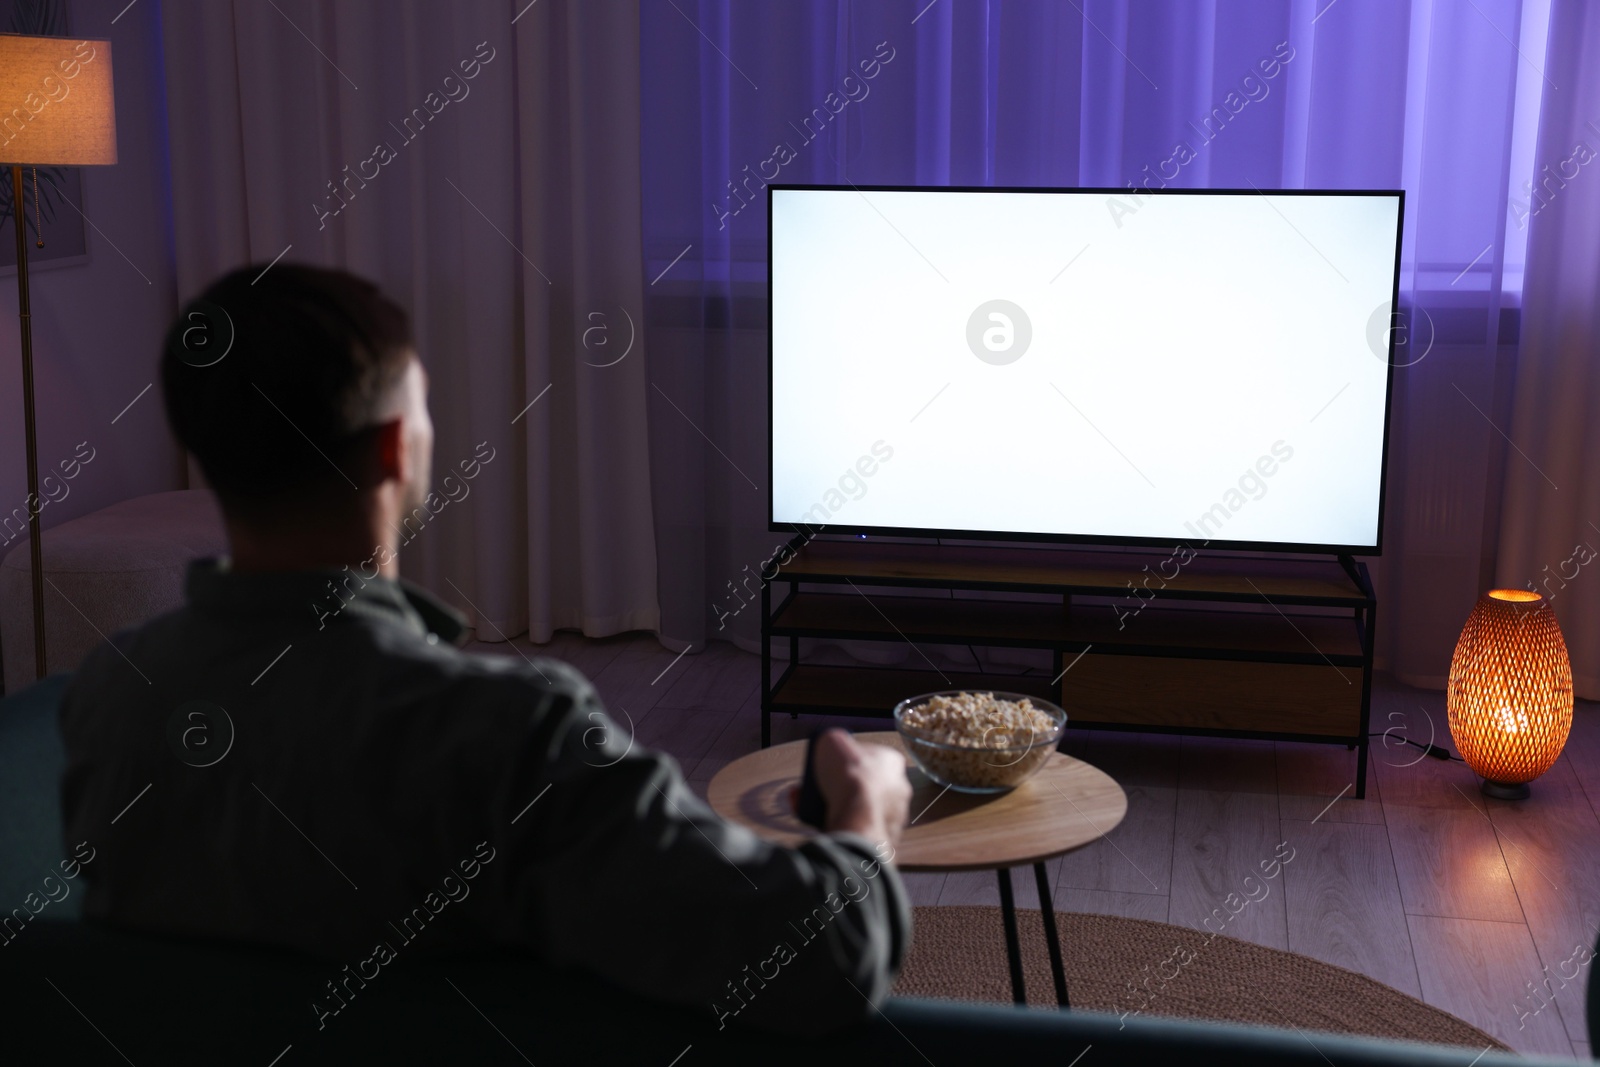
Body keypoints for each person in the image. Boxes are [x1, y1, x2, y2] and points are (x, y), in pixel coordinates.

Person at [58, 263, 913, 1036]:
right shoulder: (506, 733)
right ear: (398, 445)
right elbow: (821, 956)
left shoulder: (108, 694)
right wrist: (863, 815)